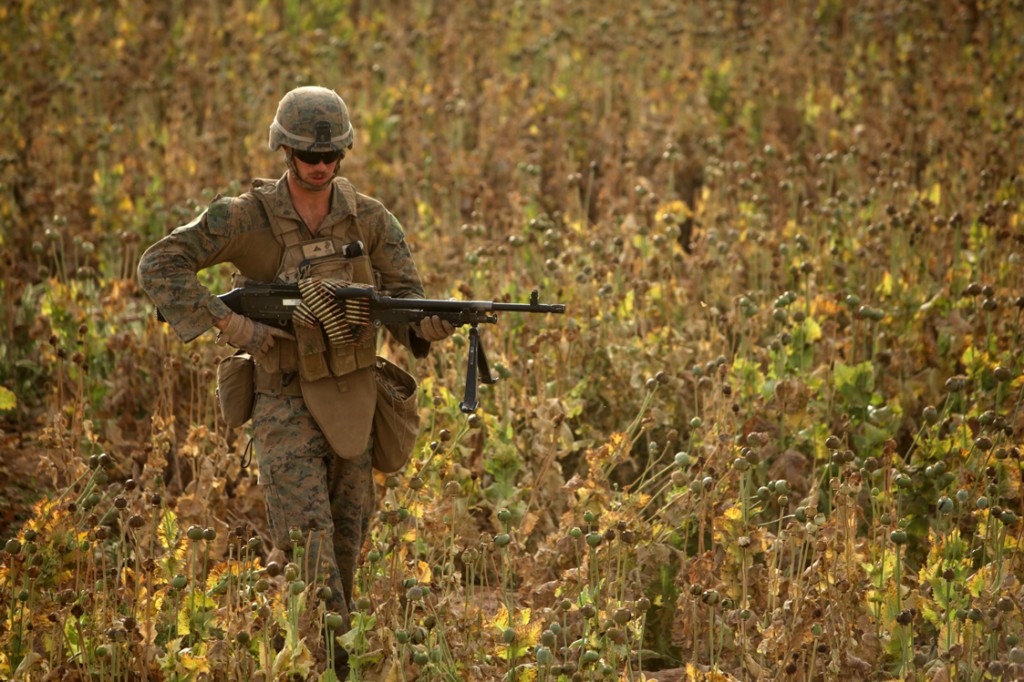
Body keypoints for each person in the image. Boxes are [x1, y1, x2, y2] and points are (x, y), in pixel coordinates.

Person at [137, 86, 453, 666]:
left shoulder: (370, 218)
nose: (321, 166)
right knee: (309, 550)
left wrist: (425, 329)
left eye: (331, 158)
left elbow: (407, 300)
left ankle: (337, 659)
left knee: (346, 548)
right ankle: (328, 663)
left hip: (352, 401)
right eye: (309, 156)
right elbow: (158, 265)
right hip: (282, 401)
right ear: (284, 150)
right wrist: (233, 327)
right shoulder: (244, 217)